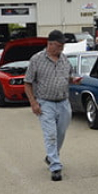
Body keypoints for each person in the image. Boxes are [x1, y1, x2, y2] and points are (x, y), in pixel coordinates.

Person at [24, 30, 82, 181]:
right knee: (50, 134)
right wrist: (33, 103)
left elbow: (68, 77)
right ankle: (55, 166)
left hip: (63, 102)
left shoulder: (64, 59)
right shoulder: (37, 59)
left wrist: (74, 80)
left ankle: (51, 156)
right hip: (45, 103)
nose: (62, 48)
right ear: (49, 44)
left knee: (60, 133)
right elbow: (27, 83)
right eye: (59, 45)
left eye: (63, 45)